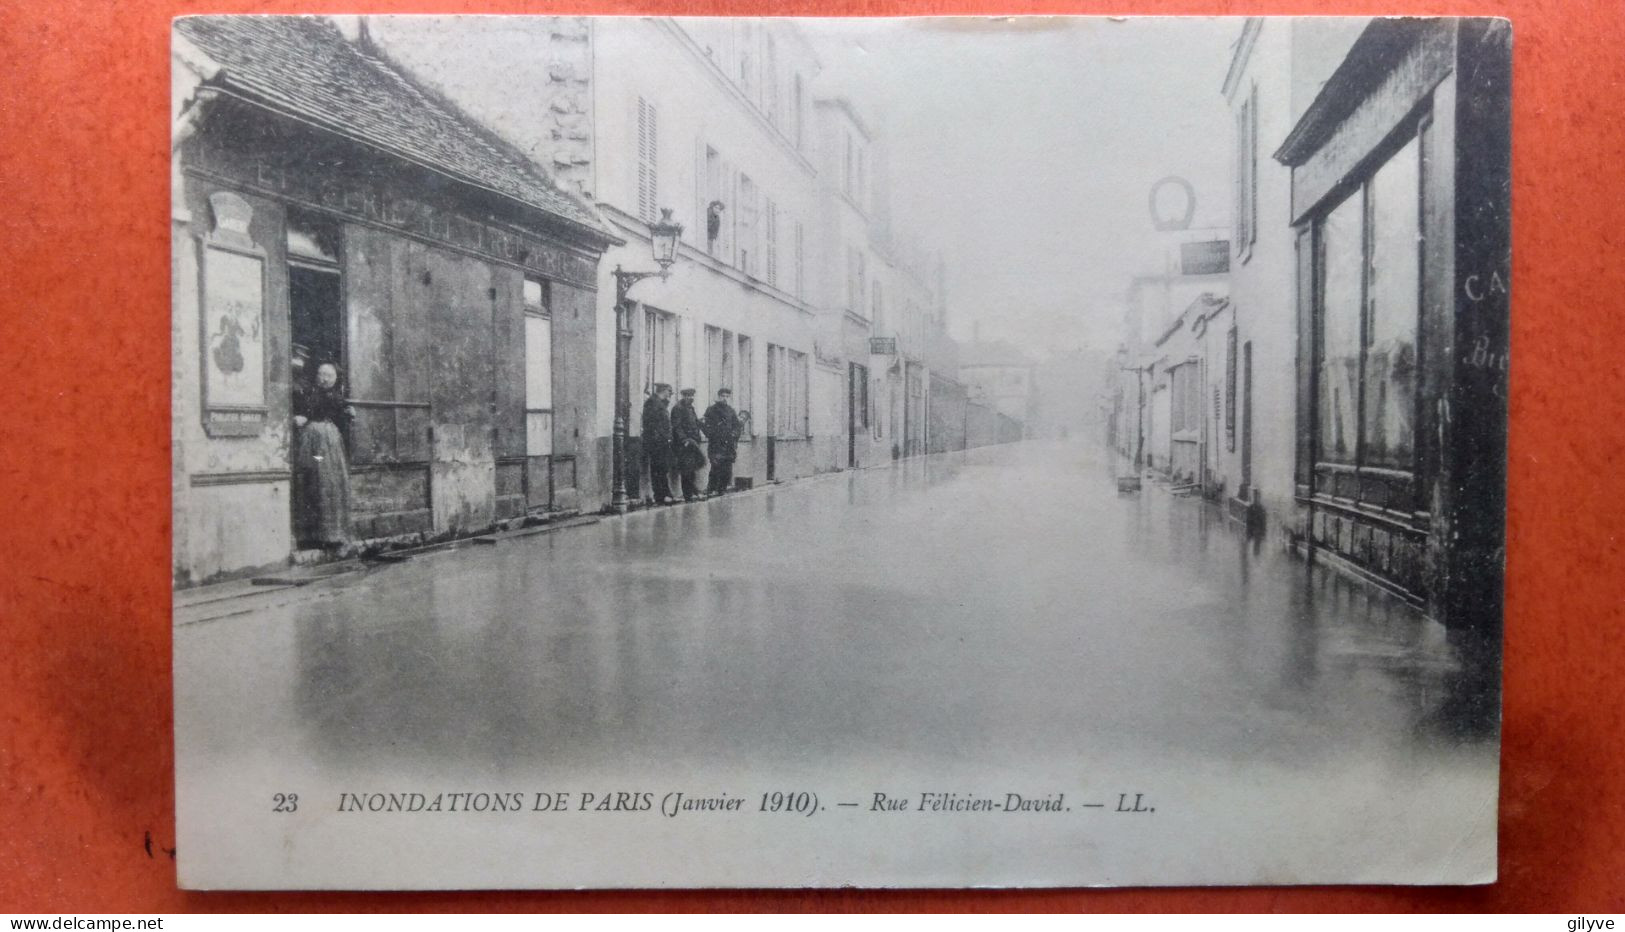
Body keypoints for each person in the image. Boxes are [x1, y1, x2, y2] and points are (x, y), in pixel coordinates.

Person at [292, 361, 354, 551]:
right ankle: (310, 534)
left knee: (329, 480)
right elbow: (305, 410)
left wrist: (349, 413)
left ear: (336, 379)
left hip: (329, 442)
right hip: (311, 440)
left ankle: (331, 533)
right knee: (312, 479)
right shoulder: (307, 391)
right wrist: (302, 417)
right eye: (321, 374)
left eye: (329, 375)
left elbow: (339, 415)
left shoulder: (338, 397)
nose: (324, 379)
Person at [702, 387, 744, 496]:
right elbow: (705, 425)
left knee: (727, 468)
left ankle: (722, 489)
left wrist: (734, 434)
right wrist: (711, 434)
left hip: (728, 444)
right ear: (718, 396)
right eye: (722, 396)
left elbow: (737, 426)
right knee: (715, 466)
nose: (725, 398)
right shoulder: (711, 410)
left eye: (727, 396)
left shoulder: (731, 411)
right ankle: (711, 489)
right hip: (716, 443)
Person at [641, 383, 675, 505]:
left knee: (662, 468)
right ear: (664, 390)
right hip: (657, 442)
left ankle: (664, 494)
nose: (670, 394)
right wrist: (662, 438)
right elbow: (652, 424)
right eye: (669, 391)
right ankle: (661, 495)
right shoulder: (653, 403)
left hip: (662, 442)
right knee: (658, 469)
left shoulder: (660, 403)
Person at [671, 388, 708, 502]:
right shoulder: (678, 408)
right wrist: (684, 440)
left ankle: (692, 492)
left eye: (692, 396)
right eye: (688, 396)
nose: (691, 398)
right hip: (685, 444)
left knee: (692, 469)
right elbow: (676, 426)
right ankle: (688, 495)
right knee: (686, 470)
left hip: (693, 443)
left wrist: (705, 428)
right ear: (683, 396)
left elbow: (696, 422)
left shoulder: (691, 408)